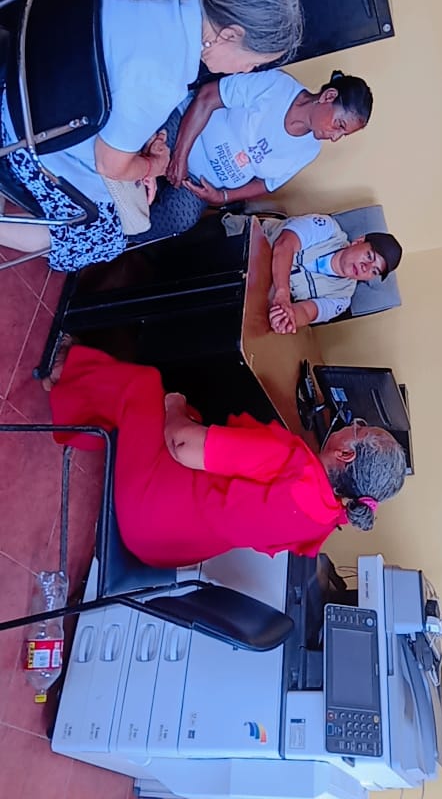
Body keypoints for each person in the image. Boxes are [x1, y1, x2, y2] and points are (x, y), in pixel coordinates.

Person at [0, 0, 303, 271]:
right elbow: (109, 165)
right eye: (254, 62)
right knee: (103, 237)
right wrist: (151, 167)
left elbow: (117, 73)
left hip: (19, 62)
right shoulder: (166, 78)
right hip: (24, 131)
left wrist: (142, 146)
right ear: (230, 35)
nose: (247, 71)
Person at [48, 342, 407, 567]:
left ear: (345, 454)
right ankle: (88, 424)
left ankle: (60, 368)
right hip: (163, 550)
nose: (354, 424)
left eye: (360, 428)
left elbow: (182, 445)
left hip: (148, 511)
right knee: (192, 418)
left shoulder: (292, 463)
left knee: (145, 387)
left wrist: (174, 404)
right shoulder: (326, 518)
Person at [129, 68, 374, 243]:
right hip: (183, 136)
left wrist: (222, 196)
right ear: (328, 96)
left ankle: (116, 237)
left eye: (343, 134)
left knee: (178, 219)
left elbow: (266, 184)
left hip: (198, 182)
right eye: (339, 125)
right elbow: (208, 97)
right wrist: (180, 157)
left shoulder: (310, 149)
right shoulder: (278, 87)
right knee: (140, 157)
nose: (335, 137)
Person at [252, 213, 402, 332]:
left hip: (258, 296)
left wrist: (288, 318)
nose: (366, 267)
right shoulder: (328, 229)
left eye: (374, 271)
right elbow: (284, 245)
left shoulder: (342, 298)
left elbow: (307, 312)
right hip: (251, 245)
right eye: (369, 256)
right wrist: (282, 293)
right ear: (358, 241)